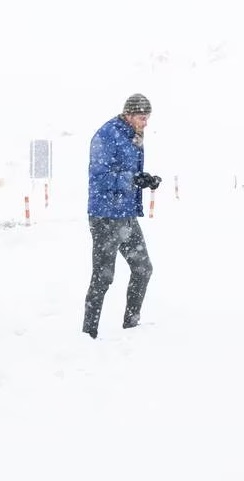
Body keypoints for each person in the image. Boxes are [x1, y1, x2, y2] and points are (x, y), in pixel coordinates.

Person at [82, 93, 162, 339]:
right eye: (141, 117)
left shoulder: (133, 135)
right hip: (105, 216)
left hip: (125, 214)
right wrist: (131, 179)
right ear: (128, 114)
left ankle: (131, 325)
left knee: (143, 268)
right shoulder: (106, 136)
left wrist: (143, 179)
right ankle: (88, 334)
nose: (145, 122)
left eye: (147, 117)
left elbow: (126, 172)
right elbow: (99, 177)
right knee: (103, 277)